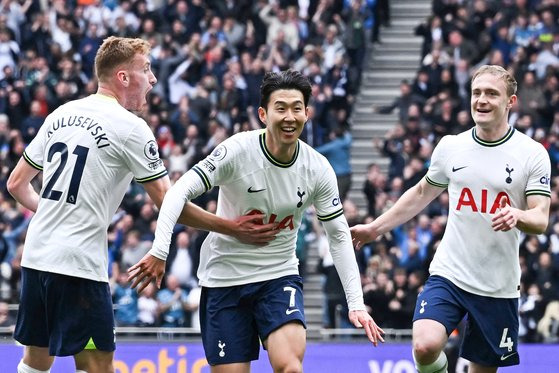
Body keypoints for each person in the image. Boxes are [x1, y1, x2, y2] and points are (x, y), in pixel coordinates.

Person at [6, 36, 277, 373]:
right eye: (146, 69)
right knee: (97, 367)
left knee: (34, 363)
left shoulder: (62, 113)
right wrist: (231, 227)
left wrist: (50, 211)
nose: (153, 78)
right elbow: (168, 200)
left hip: (36, 257)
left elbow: (16, 184)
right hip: (77, 267)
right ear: (123, 77)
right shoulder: (132, 128)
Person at [138, 70, 384, 372]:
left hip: (278, 275)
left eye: (297, 108)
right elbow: (178, 192)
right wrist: (160, 249)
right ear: (263, 114)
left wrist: (356, 303)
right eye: (280, 108)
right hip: (224, 279)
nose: (289, 116)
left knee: (290, 368)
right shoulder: (236, 151)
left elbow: (338, 236)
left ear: (307, 114)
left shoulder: (318, 169)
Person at [351, 65, 551, 373]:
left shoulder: (532, 154)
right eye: (476, 93)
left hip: (497, 286)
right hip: (450, 273)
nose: (481, 100)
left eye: (491, 94)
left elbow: (540, 218)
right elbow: (420, 193)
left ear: (511, 102)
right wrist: (375, 228)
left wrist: (518, 214)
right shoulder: (451, 147)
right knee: (424, 345)